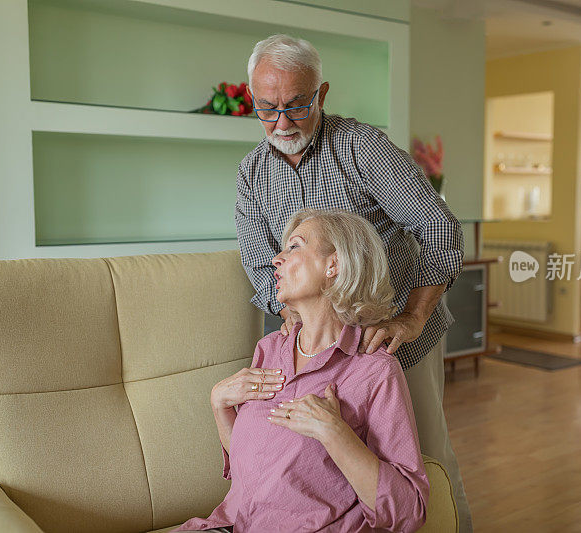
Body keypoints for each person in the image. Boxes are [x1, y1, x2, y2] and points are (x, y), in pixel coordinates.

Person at [235, 34, 472, 531]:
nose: (281, 123)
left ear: (320, 95)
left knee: (424, 461)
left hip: (397, 339)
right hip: (319, 351)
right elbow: (261, 266)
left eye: (297, 107)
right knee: (333, 463)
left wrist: (412, 316)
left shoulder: (359, 147)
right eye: (267, 108)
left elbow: (438, 226)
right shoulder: (252, 173)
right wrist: (298, 323)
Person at [174, 209, 429, 532]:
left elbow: (409, 512)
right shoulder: (269, 350)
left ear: (333, 265)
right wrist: (219, 406)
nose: (276, 259)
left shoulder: (374, 370)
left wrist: (334, 432)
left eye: (294, 247)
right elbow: (253, 469)